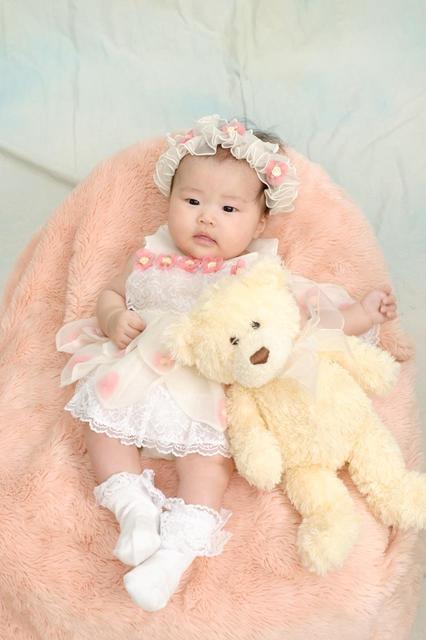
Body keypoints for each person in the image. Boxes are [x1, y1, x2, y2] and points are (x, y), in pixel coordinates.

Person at [56, 114, 397, 611]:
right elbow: (112, 293)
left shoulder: (255, 272)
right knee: (102, 427)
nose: (206, 218)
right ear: (169, 200)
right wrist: (113, 319)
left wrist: (361, 314)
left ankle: (173, 557)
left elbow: (301, 320)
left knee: (208, 467)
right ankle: (134, 512)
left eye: (228, 208)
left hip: (205, 393)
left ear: (258, 223)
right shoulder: (152, 254)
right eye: (192, 201)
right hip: (139, 372)